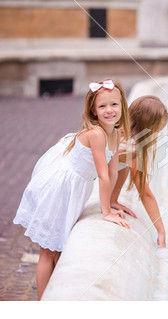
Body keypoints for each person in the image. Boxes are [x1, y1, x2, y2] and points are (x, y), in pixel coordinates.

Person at [13, 79, 131, 300]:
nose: (109, 111)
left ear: (122, 106)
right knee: (48, 252)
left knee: (60, 248)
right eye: (102, 106)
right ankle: (43, 303)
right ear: (93, 111)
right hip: (61, 188)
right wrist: (106, 212)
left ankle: (59, 298)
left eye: (114, 104)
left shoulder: (116, 133)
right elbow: (103, 175)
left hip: (75, 188)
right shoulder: (96, 134)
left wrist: (113, 201)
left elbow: (113, 172)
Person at [110, 95, 168, 248]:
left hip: (62, 162)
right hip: (71, 178)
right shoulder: (132, 149)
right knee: (51, 251)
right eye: (156, 131)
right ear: (147, 129)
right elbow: (145, 193)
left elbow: (121, 168)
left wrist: (113, 200)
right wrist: (161, 231)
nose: (157, 136)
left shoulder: (118, 128)